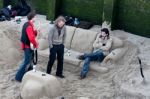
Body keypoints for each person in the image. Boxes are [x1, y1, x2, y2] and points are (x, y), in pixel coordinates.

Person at [15, 11, 38, 82]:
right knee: (26, 61)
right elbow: (31, 38)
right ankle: (18, 77)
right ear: (32, 17)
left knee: (30, 60)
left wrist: (36, 31)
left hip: (27, 46)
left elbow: (32, 34)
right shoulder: (29, 26)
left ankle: (29, 73)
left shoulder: (28, 24)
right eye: (35, 17)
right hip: (27, 46)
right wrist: (36, 44)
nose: (36, 18)